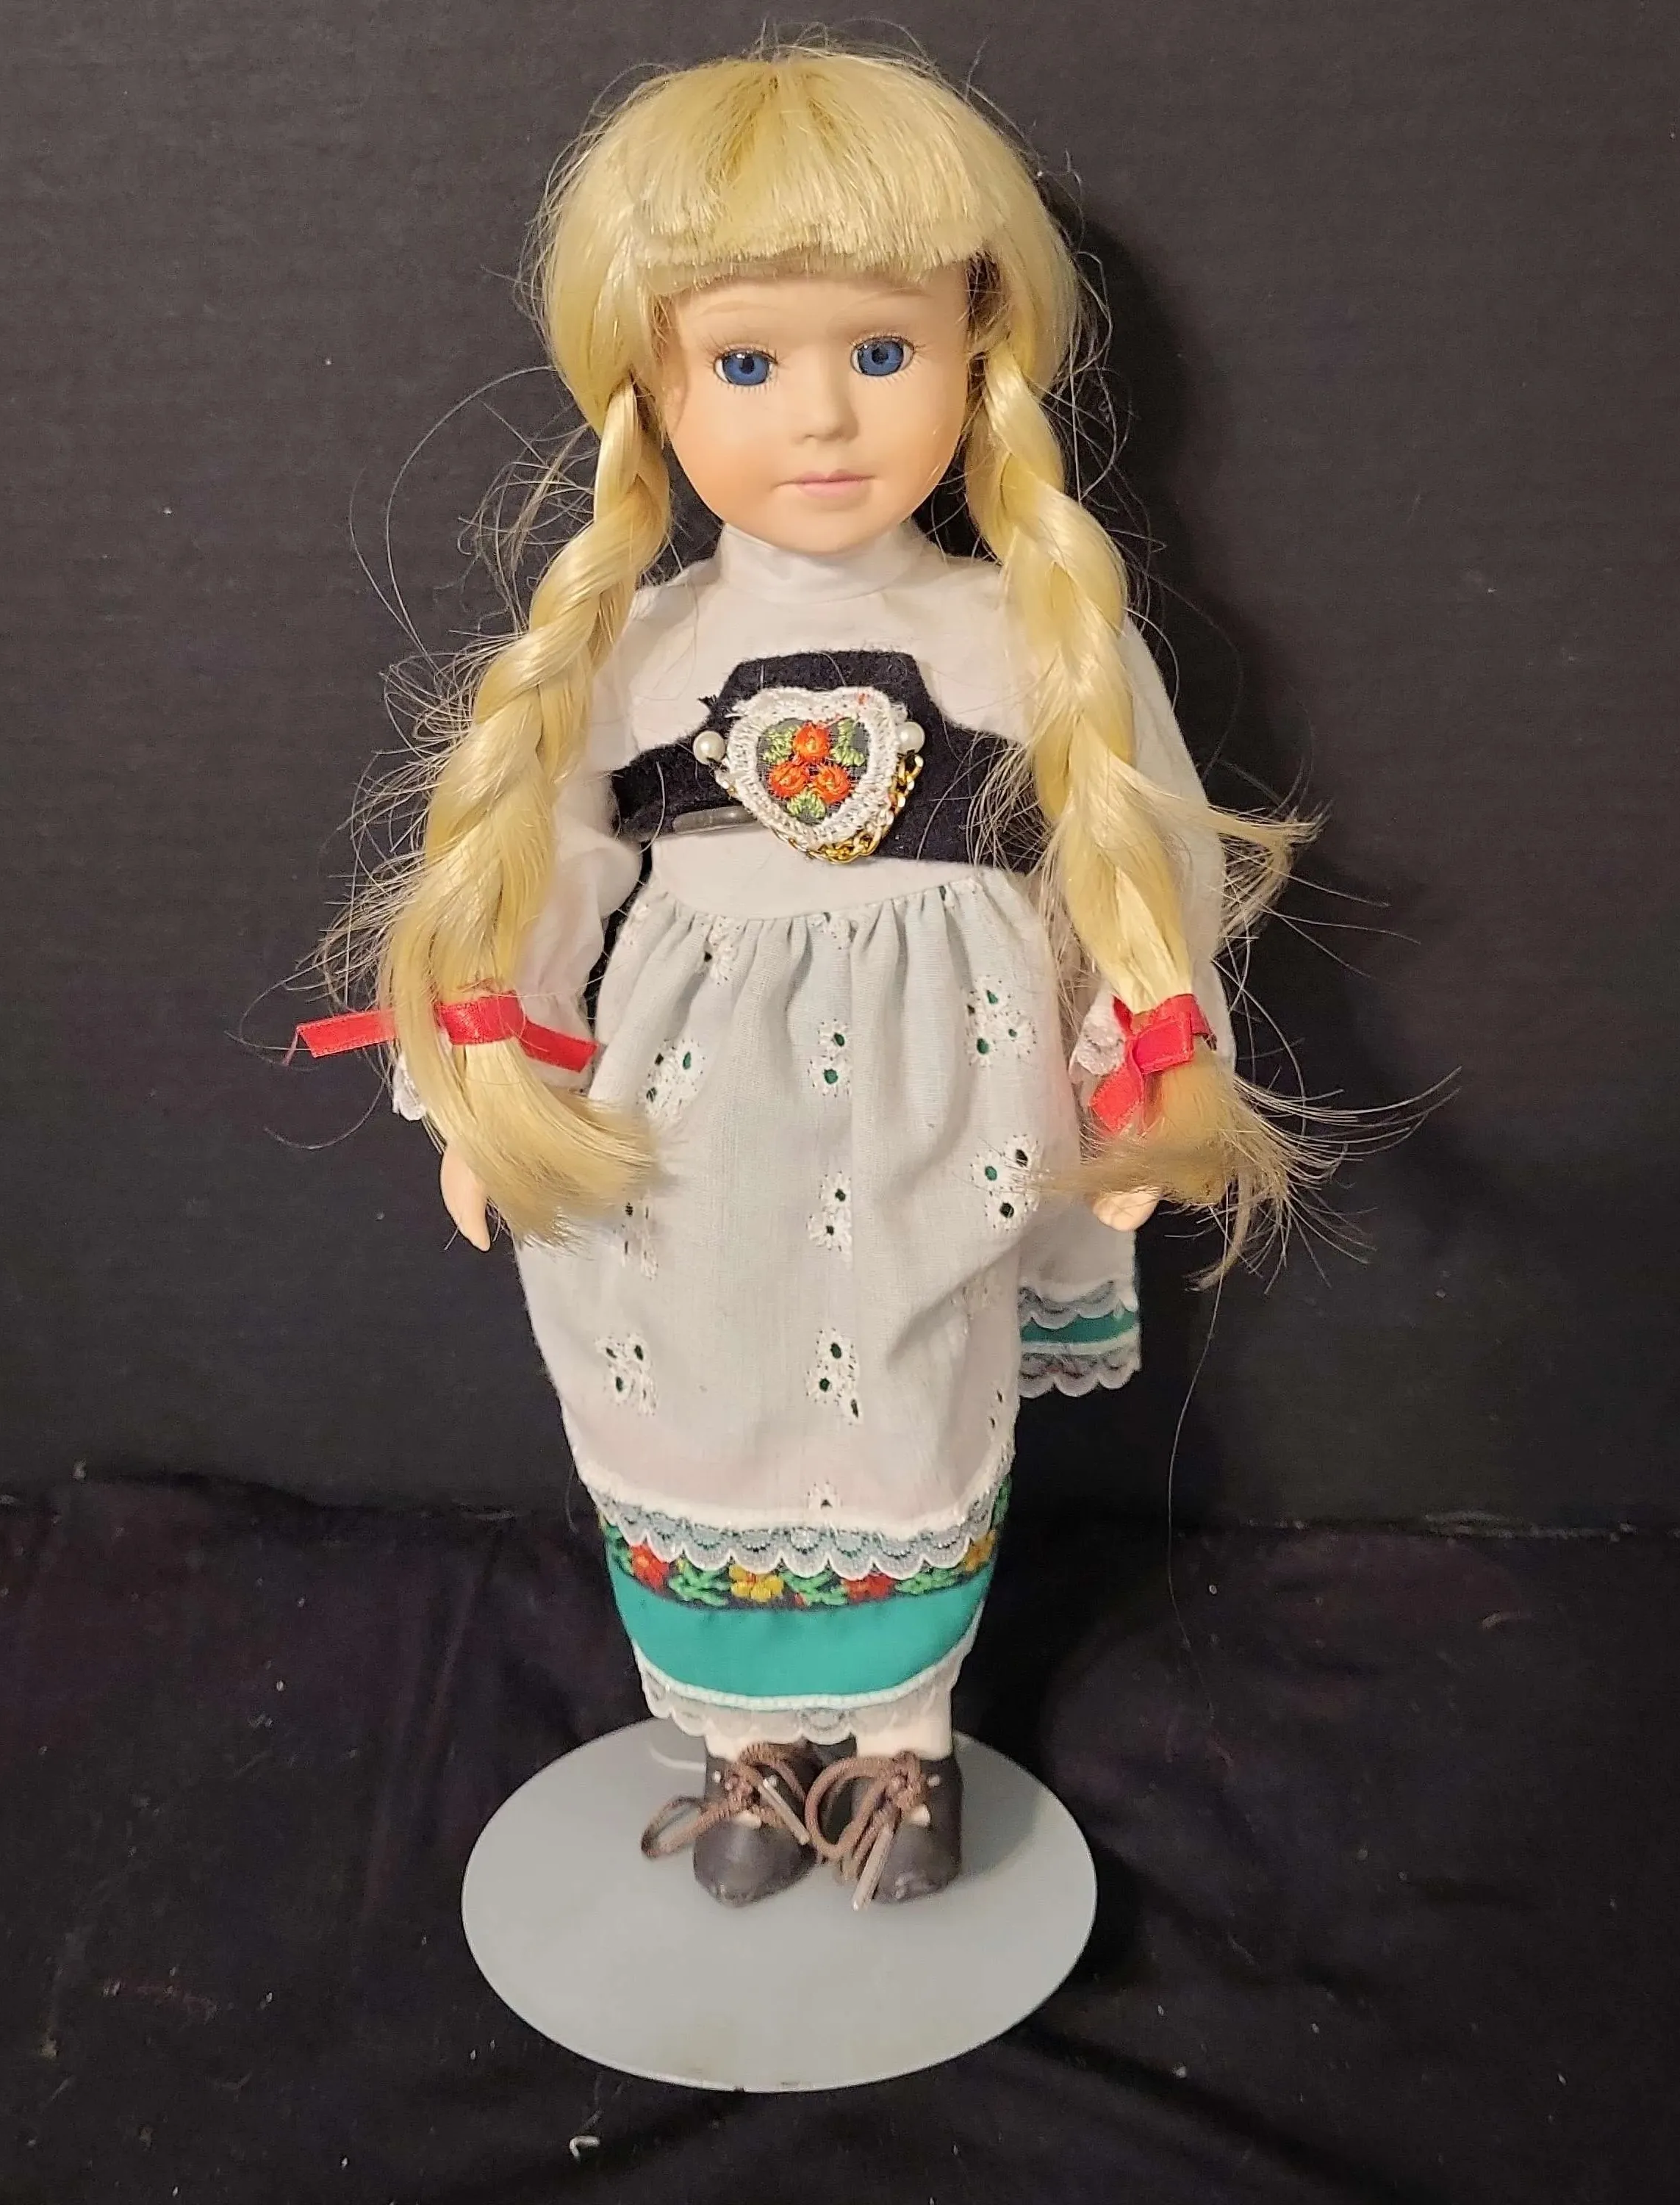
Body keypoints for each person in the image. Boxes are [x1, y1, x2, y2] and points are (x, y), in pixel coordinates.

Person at [300, 44, 1329, 1910]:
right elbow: (550, 877)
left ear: (974, 348)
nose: (828, 418)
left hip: (944, 1111)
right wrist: (491, 1084)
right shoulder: (635, 649)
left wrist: (1145, 1061)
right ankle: (742, 1747)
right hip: (682, 1122)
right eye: (750, 364)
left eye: (881, 348)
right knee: (679, 1399)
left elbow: (1132, 862)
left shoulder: (1031, 632)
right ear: (653, 386)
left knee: (914, 1407)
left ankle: (902, 1746)